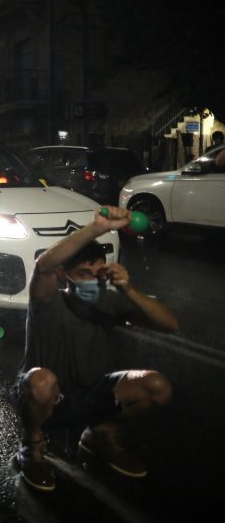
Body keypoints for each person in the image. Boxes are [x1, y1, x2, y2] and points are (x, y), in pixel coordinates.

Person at [11, 206, 179, 492]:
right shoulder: (48, 300)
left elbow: (170, 325)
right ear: (66, 276)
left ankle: (100, 434)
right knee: (41, 382)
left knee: (157, 386)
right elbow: (44, 265)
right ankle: (33, 443)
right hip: (45, 397)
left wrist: (129, 290)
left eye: (98, 272)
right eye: (84, 273)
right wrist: (97, 228)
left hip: (90, 392)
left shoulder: (111, 301)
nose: (93, 279)